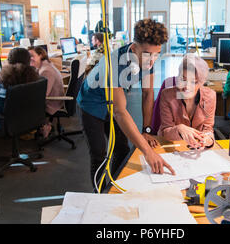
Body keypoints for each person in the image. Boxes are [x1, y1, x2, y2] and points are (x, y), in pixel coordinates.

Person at [77, 18, 175, 191]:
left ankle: (115, 188)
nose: (152, 60)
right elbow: (120, 112)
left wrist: (146, 130)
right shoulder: (114, 64)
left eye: (156, 53)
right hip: (91, 104)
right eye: (147, 54)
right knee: (99, 155)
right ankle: (99, 194)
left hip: (112, 103)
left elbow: (147, 93)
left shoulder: (147, 58)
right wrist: (148, 152)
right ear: (134, 47)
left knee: (121, 148)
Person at [0, 47, 39, 152]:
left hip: (2, 121)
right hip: (27, 120)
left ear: (8, 60)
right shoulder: (34, 77)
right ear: (28, 61)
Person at [158, 54, 216, 149]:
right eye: (183, 79)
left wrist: (207, 140)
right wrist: (179, 128)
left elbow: (208, 129)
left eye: (194, 82)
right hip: (171, 144)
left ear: (201, 82)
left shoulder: (210, 96)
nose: (187, 87)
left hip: (196, 149)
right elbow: (165, 131)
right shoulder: (167, 95)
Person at [28, 46, 65, 138]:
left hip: (52, 103)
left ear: (40, 55)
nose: (30, 58)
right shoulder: (46, 65)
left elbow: (43, 95)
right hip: (55, 99)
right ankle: (44, 124)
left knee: (24, 103)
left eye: (32, 55)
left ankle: (44, 126)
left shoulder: (46, 71)